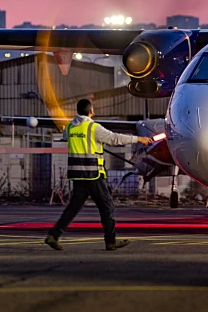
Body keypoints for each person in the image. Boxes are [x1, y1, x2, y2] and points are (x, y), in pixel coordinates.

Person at [45, 98, 153, 251]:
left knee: (73, 208)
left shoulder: (70, 128)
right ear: (91, 111)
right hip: (93, 175)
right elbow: (115, 139)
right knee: (107, 206)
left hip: (77, 176)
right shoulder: (92, 128)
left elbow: (73, 141)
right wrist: (139, 139)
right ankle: (110, 241)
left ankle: (53, 235)